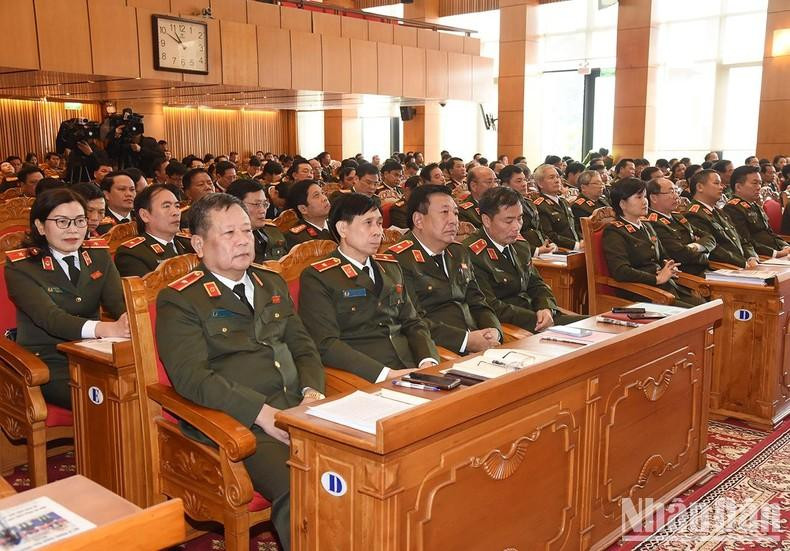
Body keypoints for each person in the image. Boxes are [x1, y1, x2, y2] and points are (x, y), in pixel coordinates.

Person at [157, 193, 325, 551]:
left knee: (367, 466)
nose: (243, 240)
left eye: (246, 231)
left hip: (301, 407)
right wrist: (263, 415)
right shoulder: (181, 298)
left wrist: (312, 395)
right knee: (302, 487)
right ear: (199, 244)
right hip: (241, 423)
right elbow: (191, 378)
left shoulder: (271, 282)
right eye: (229, 233)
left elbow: (303, 347)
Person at [5, 189, 128, 408]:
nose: (73, 230)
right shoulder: (21, 267)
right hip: (49, 360)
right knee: (107, 401)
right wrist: (105, 329)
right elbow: (51, 318)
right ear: (41, 226)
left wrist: (130, 321)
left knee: (135, 387)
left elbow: (119, 303)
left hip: (94, 354)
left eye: (80, 221)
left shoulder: (98, 255)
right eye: (62, 222)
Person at [299, 193, 439, 383]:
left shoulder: (390, 266)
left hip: (411, 367)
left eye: (380, 223)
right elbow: (326, 344)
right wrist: (384, 374)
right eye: (368, 223)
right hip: (366, 376)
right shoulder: (319, 276)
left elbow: (413, 322)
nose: (377, 232)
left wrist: (427, 360)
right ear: (342, 228)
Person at [388, 184, 502, 354]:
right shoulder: (398, 259)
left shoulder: (458, 251)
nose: (453, 220)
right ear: (418, 220)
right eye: (444, 212)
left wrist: (493, 330)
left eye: (455, 213)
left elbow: (478, 301)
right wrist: (465, 341)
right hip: (439, 349)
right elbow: (412, 320)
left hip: (479, 342)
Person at [465, 187, 585, 331]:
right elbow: (489, 305)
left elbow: (537, 284)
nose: (517, 227)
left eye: (520, 218)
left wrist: (545, 307)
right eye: (509, 221)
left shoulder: (520, 245)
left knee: (597, 326)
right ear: (486, 220)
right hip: (514, 326)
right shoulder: (471, 253)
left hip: (542, 318)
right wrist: (537, 319)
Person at [602, 178, 705, 308]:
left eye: (644, 196)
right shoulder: (614, 231)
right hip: (641, 292)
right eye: (639, 197)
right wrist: (656, 279)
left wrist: (669, 265)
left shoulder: (646, 225)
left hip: (666, 287)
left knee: (706, 306)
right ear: (622, 204)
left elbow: (662, 256)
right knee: (696, 312)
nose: (645, 201)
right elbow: (620, 271)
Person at [685, 169, 759, 268]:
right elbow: (714, 250)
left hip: (741, 264)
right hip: (724, 268)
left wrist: (751, 257)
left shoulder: (719, 211)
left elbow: (741, 239)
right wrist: (743, 263)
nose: (722, 187)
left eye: (721, 184)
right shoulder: (694, 214)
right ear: (699, 187)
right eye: (716, 183)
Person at [114, 184, 191, 277]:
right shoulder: (132, 253)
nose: (176, 212)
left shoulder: (190, 243)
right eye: (166, 206)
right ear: (145, 215)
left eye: (177, 206)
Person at [644, 177, 715, 277]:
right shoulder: (653, 223)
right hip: (686, 276)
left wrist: (694, 246)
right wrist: (704, 253)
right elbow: (679, 255)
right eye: (671, 192)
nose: (676, 196)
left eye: (676, 191)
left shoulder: (677, 216)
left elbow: (709, 237)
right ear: (654, 198)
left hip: (704, 270)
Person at [722, 165, 790, 258]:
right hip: (760, 257)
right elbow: (745, 242)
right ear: (738, 187)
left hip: (776, 253)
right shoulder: (732, 208)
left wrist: (785, 245)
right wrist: (775, 253)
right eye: (755, 183)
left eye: (760, 183)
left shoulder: (753, 205)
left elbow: (769, 233)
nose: (759, 187)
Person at [498, 164, 556, 255]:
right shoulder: (502, 206)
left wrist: (550, 243)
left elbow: (538, 229)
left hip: (543, 251)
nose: (524, 184)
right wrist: (536, 251)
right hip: (523, 254)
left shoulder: (528, 202)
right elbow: (508, 238)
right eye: (519, 181)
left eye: (525, 179)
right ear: (505, 185)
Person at [226, 179, 288, 262]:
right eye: (256, 204)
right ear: (235, 206)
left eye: (265, 204)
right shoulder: (228, 242)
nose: (263, 210)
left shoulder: (273, 231)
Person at [533, 164, 583, 250]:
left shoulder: (563, 201)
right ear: (540, 184)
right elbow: (549, 235)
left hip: (576, 248)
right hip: (559, 251)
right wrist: (575, 245)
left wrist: (581, 240)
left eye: (558, 177)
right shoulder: (540, 206)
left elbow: (573, 227)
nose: (557, 180)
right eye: (551, 177)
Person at [285, 179, 333, 248]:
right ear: (303, 209)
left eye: (322, 193)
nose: (325, 198)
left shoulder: (337, 224)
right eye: (316, 196)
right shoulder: (297, 238)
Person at [570, 169, 610, 234]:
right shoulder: (578, 206)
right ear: (583, 187)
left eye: (601, 183)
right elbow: (584, 231)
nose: (601, 186)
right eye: (596, 183)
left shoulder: (603, 199)